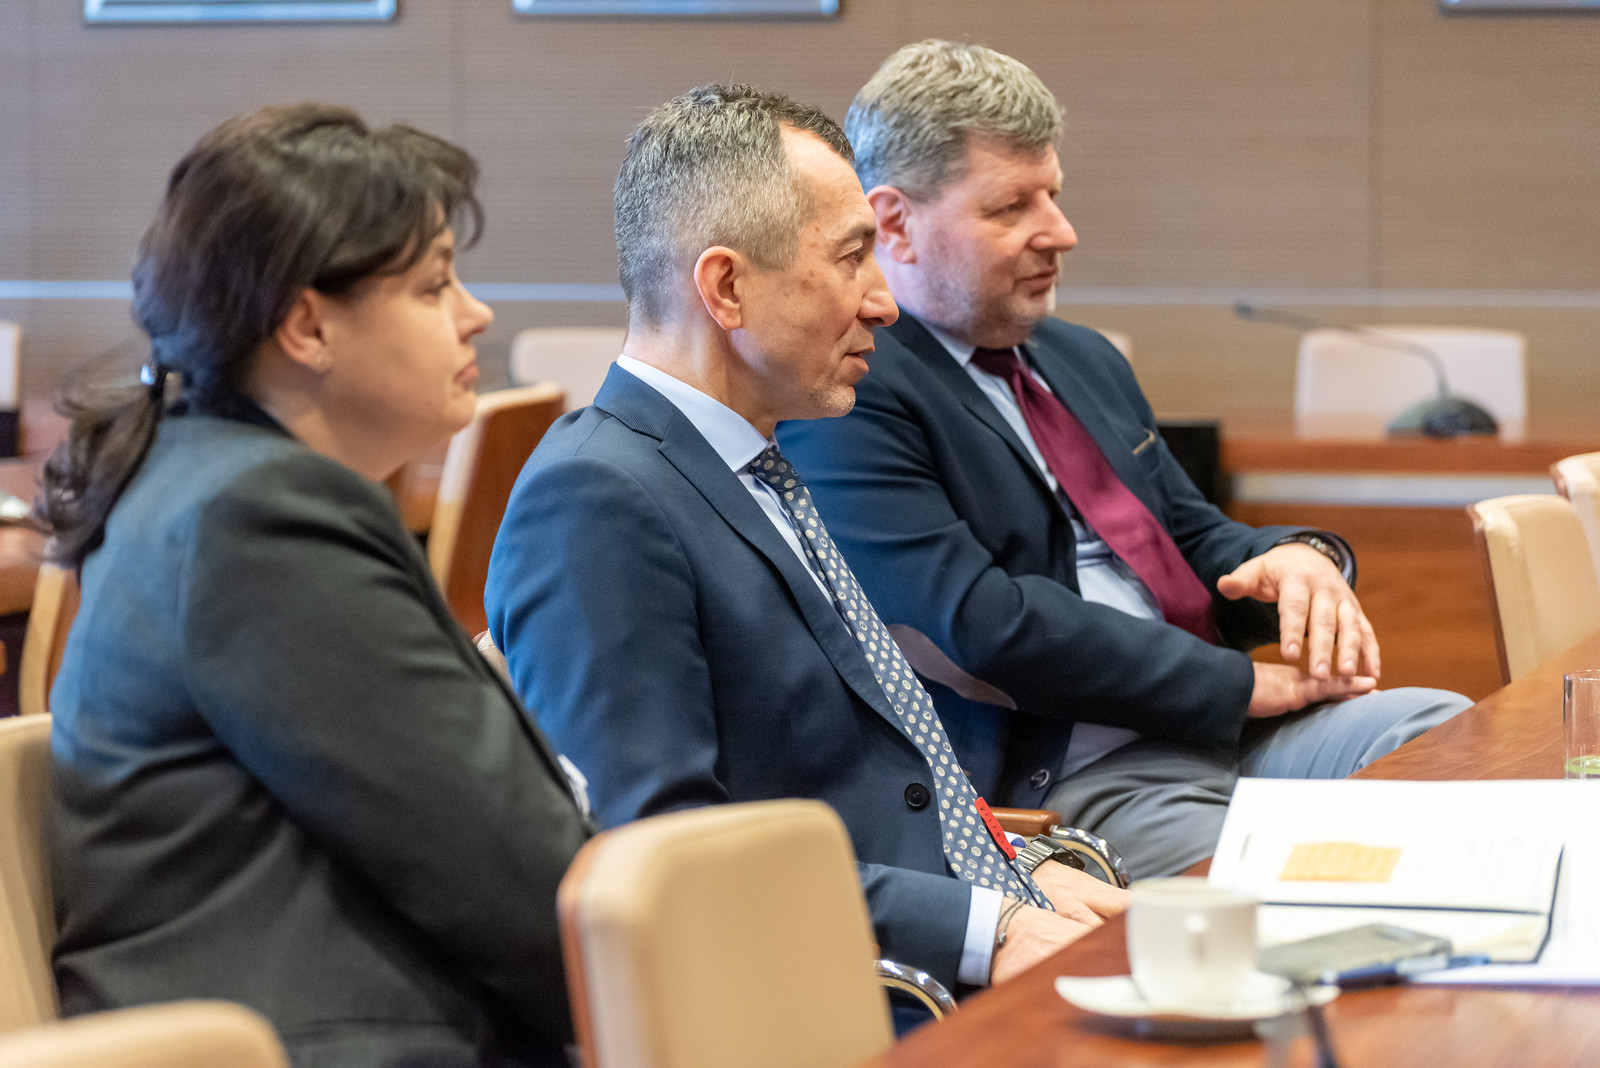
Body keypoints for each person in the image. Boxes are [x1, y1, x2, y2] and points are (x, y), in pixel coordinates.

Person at [486, 84, 1126, 998]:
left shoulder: (748, 463)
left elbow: (870, 779)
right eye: (853, 256)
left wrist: (1014, 871)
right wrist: (984, 927)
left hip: (951, 929)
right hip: (851, 999)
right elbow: (665, 857)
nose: (884, 302)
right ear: (726, 287)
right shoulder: (597, 499)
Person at [776, 41, 1471, 879]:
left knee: (1454, 735)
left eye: (1054, 195)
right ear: (894, 223)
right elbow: (978, 624)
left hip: (1227, 734)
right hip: (1080, 780)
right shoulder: (854, 390)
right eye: (1011, 208)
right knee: (1286, 886)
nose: (1060, 233)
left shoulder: (1081, 357)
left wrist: (1299, 558)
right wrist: (1234, 687)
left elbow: (1190, 536)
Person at [43, 104, 591, 1067]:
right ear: (306, 325)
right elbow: (515, 877)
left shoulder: (208, 476)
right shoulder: (260, 518)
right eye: (434, 285)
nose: (475, 313)